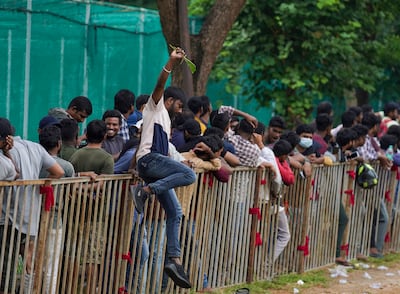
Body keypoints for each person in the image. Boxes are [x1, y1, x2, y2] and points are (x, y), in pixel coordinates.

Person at [132, 47, 196, 289]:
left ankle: (174, 260)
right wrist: (171, 61)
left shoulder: (166, 121)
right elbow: (160, 85)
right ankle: (146, 191)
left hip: (153, 166)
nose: (180, 109)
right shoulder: (154, 107)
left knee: (176, 212)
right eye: (179, 104)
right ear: (169, 100)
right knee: (189, 176)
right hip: (150, 160)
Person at [0, 118, 64, 293]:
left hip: (9, 216)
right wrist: (43, 186)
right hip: (31, 214)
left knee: (7, 263)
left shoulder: (5, 153)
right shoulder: (35, 147)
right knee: (28, 259)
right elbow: (59, 172)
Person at [38, 125, 75, 293]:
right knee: (51, 266)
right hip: (54, 219)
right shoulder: (66, 167)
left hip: (31, 219)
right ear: (59, 143)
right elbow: (71, 193)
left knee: (33, 263)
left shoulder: (34, 163)